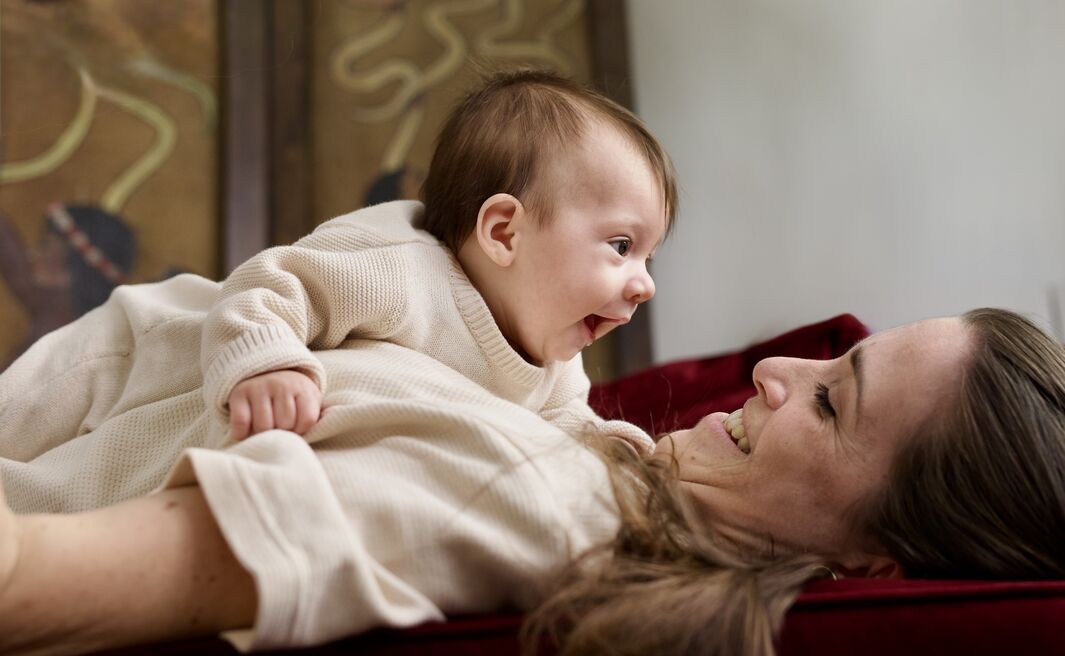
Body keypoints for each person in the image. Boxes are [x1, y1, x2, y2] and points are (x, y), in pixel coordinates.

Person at [0, 307, 1065, 655]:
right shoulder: (588, 448)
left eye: (833, 398)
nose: (777, 367)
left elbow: (32, 580)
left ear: (879, 562)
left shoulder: (532, 499)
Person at [0, 69, 673, 514]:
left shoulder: (554, 361)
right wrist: (269, 358)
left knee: (62, 496)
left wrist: (612, 451)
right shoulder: (398, 262)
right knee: (18, 417)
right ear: (503, 231)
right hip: (136, 352)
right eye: (621, 245)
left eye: (648, 255)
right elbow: (271, 286)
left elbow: (563, 426)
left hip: (170, 422)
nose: (643, 285)